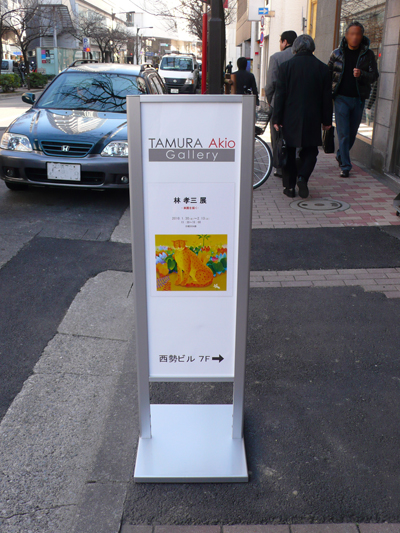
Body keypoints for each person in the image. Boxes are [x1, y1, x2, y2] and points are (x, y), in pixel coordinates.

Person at [273, 35, 332, 199]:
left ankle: (290, 187)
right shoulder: (323, 68)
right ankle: (303, 177)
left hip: (290, 116)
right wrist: (327, 121)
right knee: (311, 150)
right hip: (313, 116)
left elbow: (280, 95)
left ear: (295, 49)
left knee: (289, 151)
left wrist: (277, 118)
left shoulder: (286, 67)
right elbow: (327, 98)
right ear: (312, 48)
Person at [328, 21, 379, 177]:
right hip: (341, 98)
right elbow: (327, 74)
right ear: (346, 35)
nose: (355, 37)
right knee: (343, 133)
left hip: (358, 99)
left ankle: (340, 155)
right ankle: (345, 166)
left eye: (358, 34)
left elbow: (374, 76)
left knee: (352, 133)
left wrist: (361, 74)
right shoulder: (336, 54)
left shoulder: (368, 55)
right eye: (352, 34)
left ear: (362, 36)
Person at [265, 30, 297, 177]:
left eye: (280, 41)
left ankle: (280, 167)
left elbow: (270, 84)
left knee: (277, 136)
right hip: (297, 104)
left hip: (279, 103)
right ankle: (295, 165)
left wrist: (270, 101)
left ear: (285, 42)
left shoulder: (276, 57)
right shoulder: (302, 57)